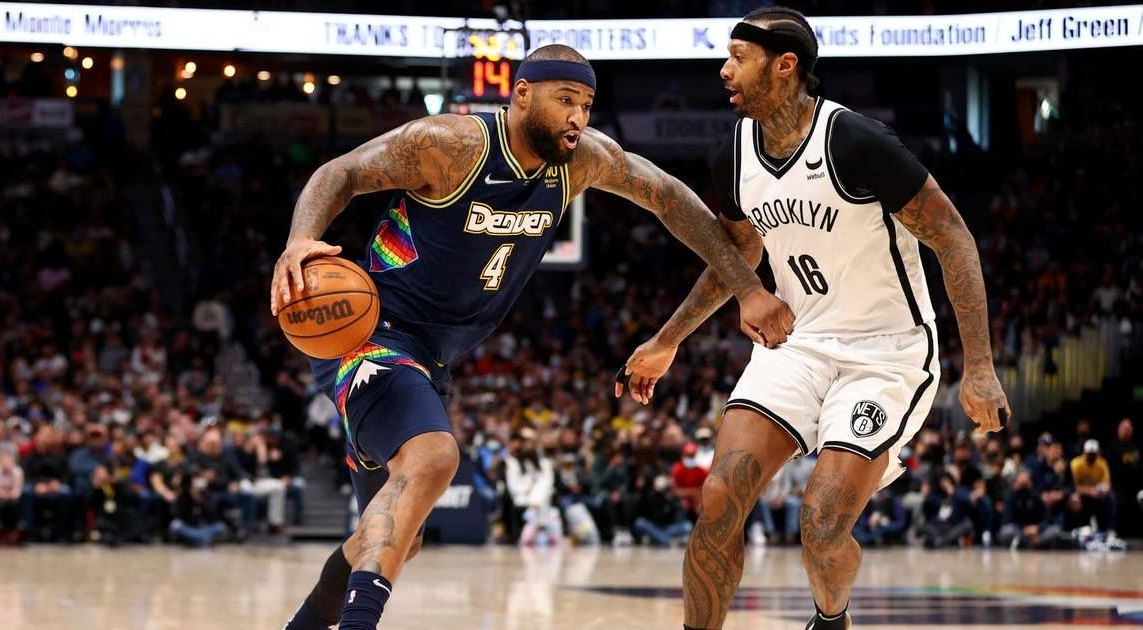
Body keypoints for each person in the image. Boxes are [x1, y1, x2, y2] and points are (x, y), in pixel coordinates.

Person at [273, 43, 793, 630]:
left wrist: (747, 287)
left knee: (396, 537)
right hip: (372, 333)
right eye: (565, 100)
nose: (578, 117)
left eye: (587, 105)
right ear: (521, 94)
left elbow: (669, 198)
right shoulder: (453, 145)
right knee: (435, 457)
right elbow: (339, 173)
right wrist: (300, 242)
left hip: (430, 356)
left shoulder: (581, 162)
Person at [615, 8, 1010, 629]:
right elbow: (736, 260)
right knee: (718, 499)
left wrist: (980, 366)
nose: (724, 71)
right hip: (797, 344)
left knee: (822, 526)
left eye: (738, 57)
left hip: (885, 353)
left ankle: (831, 620)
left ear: (785, 65)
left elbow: (954, 239)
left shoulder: (856, 143)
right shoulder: (735, 155)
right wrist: (668, 340)